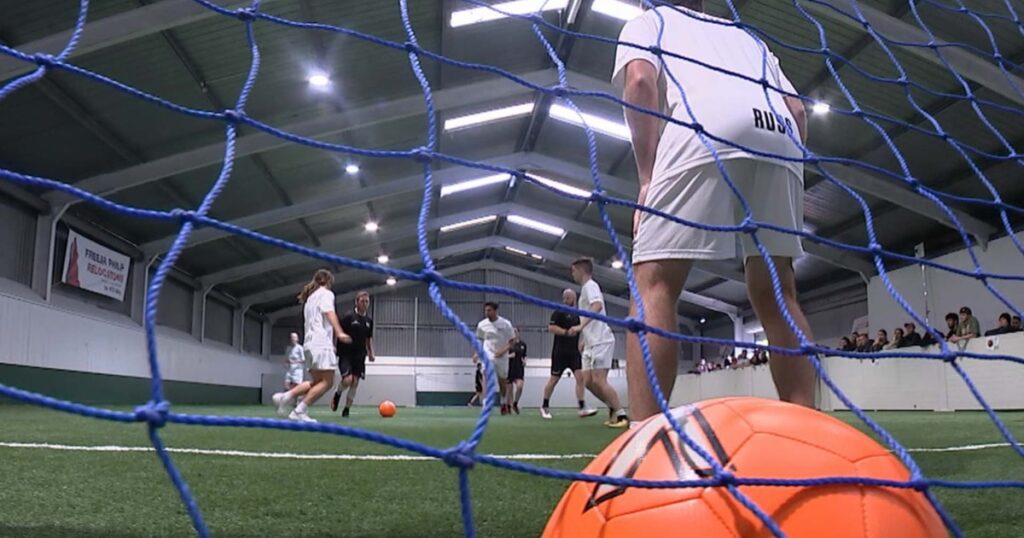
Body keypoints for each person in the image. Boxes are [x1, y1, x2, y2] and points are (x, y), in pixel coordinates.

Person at [614, 0, 816, 421]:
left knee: (655, 283)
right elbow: (797, 110)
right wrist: (789, 168)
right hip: (780, 136)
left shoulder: (649, 22)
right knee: (777, 289)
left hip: (704, 129)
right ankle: (806, 425)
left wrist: (647, 178)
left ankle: (642, 434)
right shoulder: (747, 37)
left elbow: (639, 83)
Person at [272, 269, 351, 422]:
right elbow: (329, 313)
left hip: (309, 343)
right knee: (328, 382)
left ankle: (285, 397)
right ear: (329, 281)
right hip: (320, 342)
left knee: (316, 382)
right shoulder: (326, 294)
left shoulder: (310, 298)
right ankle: (300, 410)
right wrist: (339, 332)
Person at [569, 258, 629, 428]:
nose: (572, 274)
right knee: (587, 381)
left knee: (599, 380)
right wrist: (583, 338)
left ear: (581, 270)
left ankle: (621, 415)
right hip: (590, 343)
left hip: (601, 340)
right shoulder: (584, 289)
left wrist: (580, 326)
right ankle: (612, 406)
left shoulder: (591, 286)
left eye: (573, 270)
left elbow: (597, 306)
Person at [541, 289, 596, 419]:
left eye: (568, 297)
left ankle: (582, 407)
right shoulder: (558, 311)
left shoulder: (578, 314)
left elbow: (583, 329)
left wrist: (583, 341)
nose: (566, 300)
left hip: (574, 352)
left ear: (574, 298)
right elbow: (551, 328)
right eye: (564, 297)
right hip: (560, 352)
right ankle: (544, 406)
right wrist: (566, 332)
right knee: (554, 380)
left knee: (580, 378)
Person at [330, 291, 375, 418]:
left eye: (367, 302)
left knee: (355, 382)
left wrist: (371, 352)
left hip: (360, 355)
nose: (365, 304)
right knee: (348, 380)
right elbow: (337, 331)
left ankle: (346, 409)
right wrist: (334, 345)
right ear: (356, 302)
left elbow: (369, 338)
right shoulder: (348, 316)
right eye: (362, 301)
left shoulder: (369, 320)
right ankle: (338, 393)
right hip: (345, 354)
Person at [473, 302, 517, 415]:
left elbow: (512, 341)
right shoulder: (482, 325)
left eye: (489, 310)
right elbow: (479, 340)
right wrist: (476, 353)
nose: (487, 313)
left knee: (502, 381)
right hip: (488, 354)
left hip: (502, 356)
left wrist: (502, 351)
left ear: (495, 311)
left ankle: (503, 401)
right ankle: (486, 402)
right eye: (486, 310)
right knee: (486, 375)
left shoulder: (505, 324)